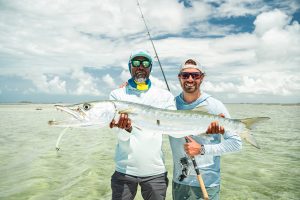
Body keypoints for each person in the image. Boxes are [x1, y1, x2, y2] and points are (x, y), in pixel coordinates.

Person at [169, 58, 242, 200]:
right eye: (185, 75)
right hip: (179, 182)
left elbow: (236, 143)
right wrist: (128, 88)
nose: (190, 79)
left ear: (202, 77)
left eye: (195, 75)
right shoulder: (170, 105)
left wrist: (202, 149)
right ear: (179, 78)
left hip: (208, 184)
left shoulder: (215, 106)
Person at [108, 50, 176, 200]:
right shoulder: (117, 95)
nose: (140, 67)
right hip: (124, 171)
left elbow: (174, 128)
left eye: (145, 63)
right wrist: (126, 129)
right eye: (136, 63)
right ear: (130, 66)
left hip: (155, 172)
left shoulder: (165, 96)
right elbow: (121, 136)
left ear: (150, 67)